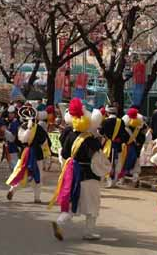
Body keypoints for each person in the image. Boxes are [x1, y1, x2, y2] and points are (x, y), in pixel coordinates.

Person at [50, 99, 106, 241]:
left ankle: (59, 222)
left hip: (72, 174)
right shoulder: (91, 141)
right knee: (92, 206)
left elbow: (63, 154)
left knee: (72, 203)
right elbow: (98, 162)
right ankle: (89, 232)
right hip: (89, 176)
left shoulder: (69, 135)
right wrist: (106, 171)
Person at [6, 106, 50, 203]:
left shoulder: (21, 127)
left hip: (25, 153)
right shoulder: (38, 128)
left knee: (21, 172)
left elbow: (17, 141)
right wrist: (47, 157)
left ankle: (12, 189)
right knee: (38, 175)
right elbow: (44, 142)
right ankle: (37, 197)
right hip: (37, 154)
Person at [99, 104, 129, 188]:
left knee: (106, 162)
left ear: (108, 112)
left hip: (107, 145)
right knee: (116, 162)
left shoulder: (105, 121)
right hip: (118, 145)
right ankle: (114, 180)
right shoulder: (121, 121)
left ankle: (108, 180)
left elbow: (101, 133)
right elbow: (123, 134)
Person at [117, 108, 147, 186]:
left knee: (123, 163)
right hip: (137, 147)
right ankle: (135, 179)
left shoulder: (125, 124)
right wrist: (139, 143)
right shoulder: (141, 124)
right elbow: (143, 135)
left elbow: (122, 136)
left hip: (126, 147)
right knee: (136, 163)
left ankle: (121, 179)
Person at [3, 106, 20, 170]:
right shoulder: (11, 122)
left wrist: (4, 131)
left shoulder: (15, 123)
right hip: (9, 146)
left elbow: (12, 138)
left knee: (14, 164)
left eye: (12, 113)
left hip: (13, 146)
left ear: (15, 114)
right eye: (9, 113)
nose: (10, 115)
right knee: (11, 164)